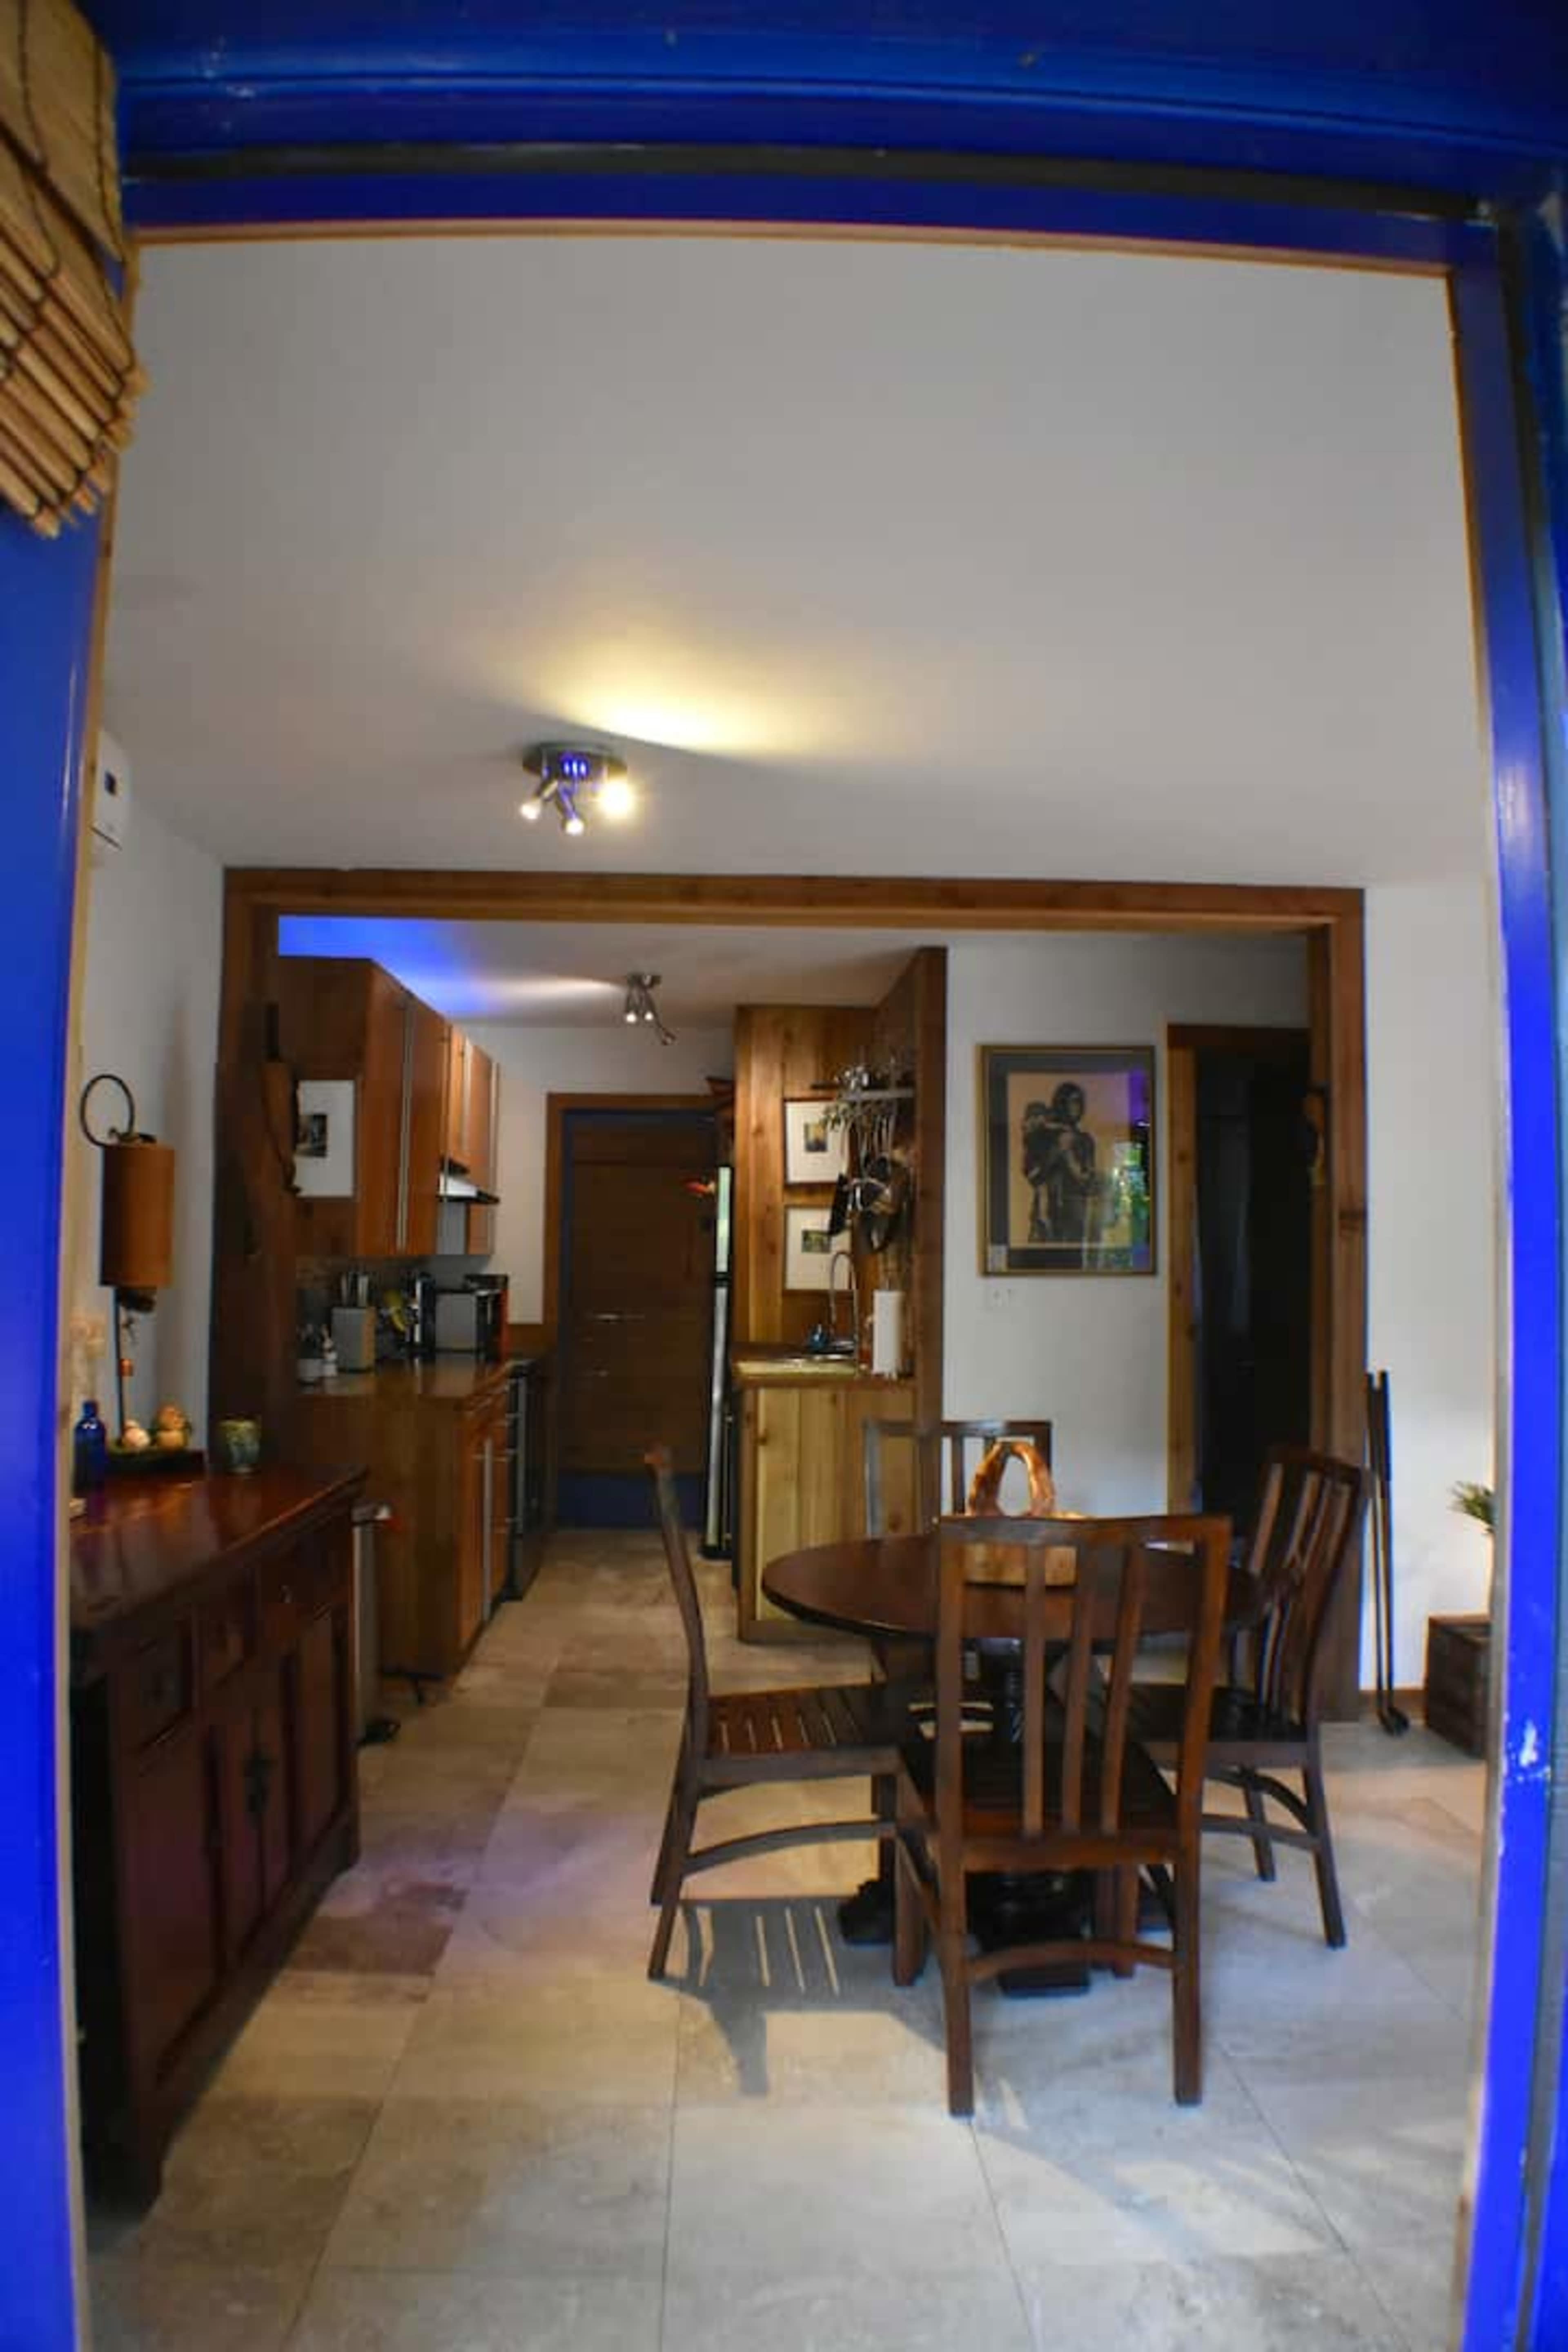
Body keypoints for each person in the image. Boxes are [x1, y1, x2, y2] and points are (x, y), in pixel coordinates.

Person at [1022, 1081, 1098, 1246]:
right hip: (1046, 1215)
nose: (1075, 1107)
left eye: (1079, 1102)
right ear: (1060, 1103)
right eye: (1070, 1101)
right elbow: (1033, 1176)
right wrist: (1057, 1151)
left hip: (1075, 1218)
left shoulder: (1085, 1140)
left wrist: (1069, 1156)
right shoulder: (1041, 1136)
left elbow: (1089, 1184)